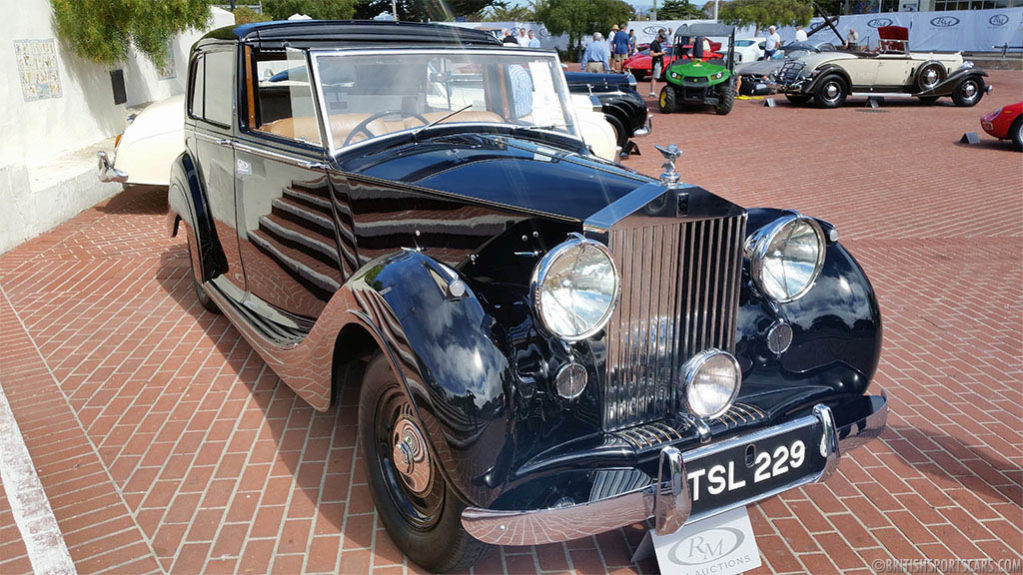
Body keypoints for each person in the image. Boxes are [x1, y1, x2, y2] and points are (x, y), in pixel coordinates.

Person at [648, 29, 666, 97]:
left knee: (656, 77)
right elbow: (651, 54)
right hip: (656, 62)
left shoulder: (658, 44)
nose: (663, 41)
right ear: (659, 37)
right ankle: (652, 92)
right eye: (662, 39)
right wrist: (660, 53)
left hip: (659, 61)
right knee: (654, 77)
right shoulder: (654, 43)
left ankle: (652, 92)